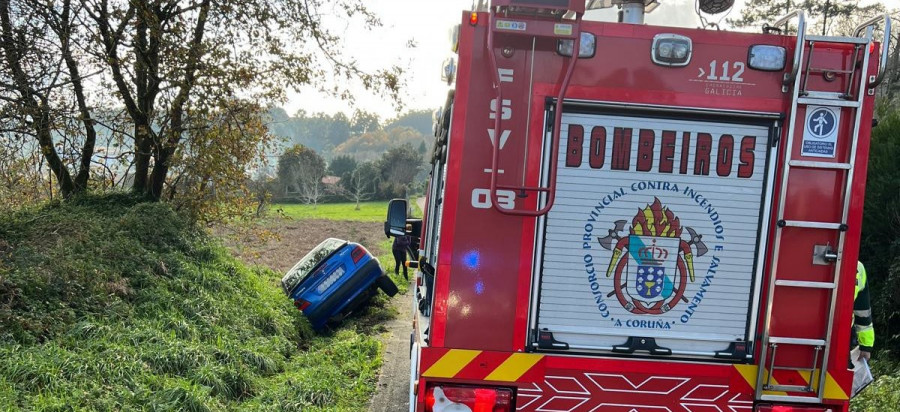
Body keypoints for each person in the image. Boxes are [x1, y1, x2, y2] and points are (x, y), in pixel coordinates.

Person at [853, 261, 875, 361]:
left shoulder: (858, 267)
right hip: (839, 336)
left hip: (840, 337)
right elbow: (863, 312)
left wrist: (866, 346)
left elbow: (862, 312)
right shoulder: (858, 267)